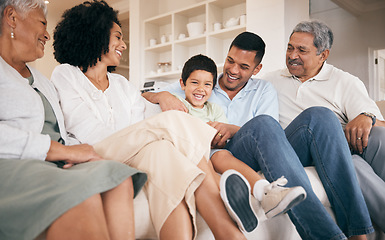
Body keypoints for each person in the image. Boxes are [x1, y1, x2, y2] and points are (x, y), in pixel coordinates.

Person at [143, 31, 374, 239]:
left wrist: (233, 129)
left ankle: (358, 232)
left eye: (244, 67)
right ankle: (328, 237)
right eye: (230, 61)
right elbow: (145, 95)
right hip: (221, 153)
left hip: (253, 147)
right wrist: (163, 96)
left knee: (322, 116)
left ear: (257, 70)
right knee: (262, 124)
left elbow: (270, 134)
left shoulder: (263, 90)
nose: (233, 71)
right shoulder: (204, 82)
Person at [50, 1, 246, 239]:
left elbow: (145, 119)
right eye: (118, 37)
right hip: (94, 151)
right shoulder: (66, 74)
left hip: (133, 153)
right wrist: (162, 109)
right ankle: (220, 186)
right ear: (96, 35)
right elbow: (87, 130)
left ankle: (227, 233)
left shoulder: (121, 84)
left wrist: (161, 95)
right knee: (171, 122)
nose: (123, 44)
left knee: (163, 151)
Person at [0, 1, 148, 240]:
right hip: (21, 162)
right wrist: (59, 151)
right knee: (82, 194)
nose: (47, 35)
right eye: (42, 24)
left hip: (56, 161)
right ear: (12, 17)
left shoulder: (43, 82)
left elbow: (64, 128)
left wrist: (76, 152)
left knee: (117, 177)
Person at [263, 19, 385, 232]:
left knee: (378, 139)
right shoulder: (270, 81)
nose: (292, 56)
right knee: (349, 163)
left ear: (323, 55)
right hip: (300, 146)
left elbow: (377, 123)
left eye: (302, 50)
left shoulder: (344, 81)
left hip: (342, 142)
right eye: (290, 48)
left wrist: (367, 116)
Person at [176, 53, 306, 225]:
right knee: (206, 166)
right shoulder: (177, 103)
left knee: (223, 156)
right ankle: (234, 200)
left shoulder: (214, 109)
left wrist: (218, 136)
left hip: (213, 151)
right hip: (190, 153)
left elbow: (223, 135)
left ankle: (265, 191)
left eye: (207, 84)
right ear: (182, 84)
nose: (201, 89)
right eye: (194, 83)